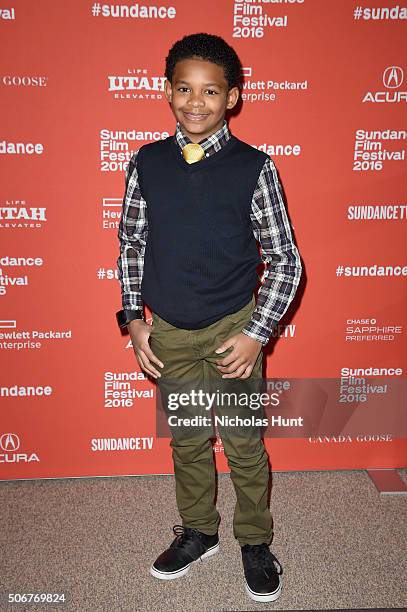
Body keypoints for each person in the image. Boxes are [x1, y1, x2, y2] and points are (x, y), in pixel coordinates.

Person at [116, 32, 302, 603]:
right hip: (169, 331)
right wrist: (134, 319)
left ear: (233, 98)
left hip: (232, 332)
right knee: (189, 441)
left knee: (245, 443)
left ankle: (254, 540)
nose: (196, 102)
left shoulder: (255, 168)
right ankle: (198, 531)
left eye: (210, 92)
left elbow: (287, 261)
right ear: (166, 91)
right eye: (184, 89)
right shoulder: (146, 162)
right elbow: (131, 244)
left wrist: (256, 333)